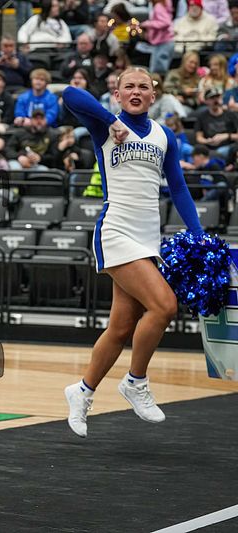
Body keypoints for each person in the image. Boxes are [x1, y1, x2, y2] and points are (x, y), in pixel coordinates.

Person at [62, 67, 203, 438]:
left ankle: (82, 391)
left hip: (147, 239)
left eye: (144, 86)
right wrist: (111, 122)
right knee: (165, 306)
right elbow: (69, 94)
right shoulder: (103, 128)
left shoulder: (164, 136)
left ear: (153, 95)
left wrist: (200, 236)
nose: (137, 92)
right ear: (118, 94)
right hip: (116, 232)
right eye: (129, 87)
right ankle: (135, 381)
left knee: (121, 327)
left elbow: (180, 189)